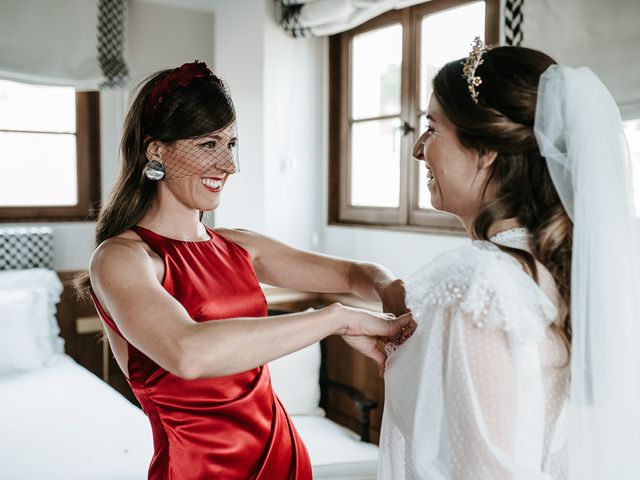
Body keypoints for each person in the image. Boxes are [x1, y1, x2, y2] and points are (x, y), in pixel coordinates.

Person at [76, 60, 412, 480]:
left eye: (231, 144)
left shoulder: (238, 246)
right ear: (156, 150)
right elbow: (188, 352)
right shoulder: (120, 258)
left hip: (284, 459)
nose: (228, 165)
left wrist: (390, 287)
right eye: (207, 145)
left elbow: (353, 274)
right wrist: (336, 319)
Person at [378, 38, 640, 479]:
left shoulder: (480, 282)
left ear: (486, 150)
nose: (417, 148)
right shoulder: (562, 269)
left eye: (433, 128)